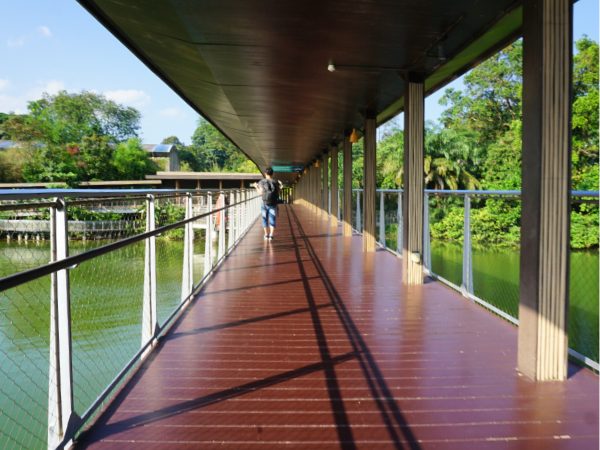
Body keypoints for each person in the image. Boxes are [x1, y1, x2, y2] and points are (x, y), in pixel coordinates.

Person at [254, 167, 283, 240]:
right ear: (272, 174)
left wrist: (255, 187)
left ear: (265, 173)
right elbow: (278, 192)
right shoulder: (275, 182)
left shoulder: (261, 182)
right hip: (273, 203)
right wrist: (281, 186)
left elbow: (260, 193)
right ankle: (271, 235)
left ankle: (266, 234)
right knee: (272, 218)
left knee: (264, 219)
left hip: (264, 203)